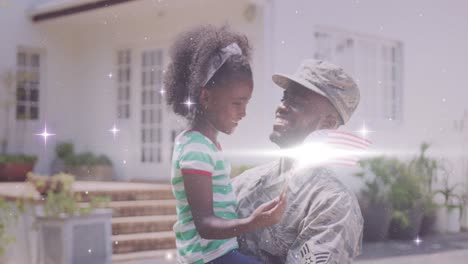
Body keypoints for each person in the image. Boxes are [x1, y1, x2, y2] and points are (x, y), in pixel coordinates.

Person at [164, 25, 287, 264]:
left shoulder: (206, 145)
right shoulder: (196, 149)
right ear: (206, 97)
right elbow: (205, 225)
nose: (243, 113)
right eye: (237, 103)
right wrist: (253, 222)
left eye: (246, 103)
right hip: (210, 258)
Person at [233, 59, 364, 264]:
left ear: (327, 124)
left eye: (297, 102)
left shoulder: (332, 203)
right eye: (285, 97)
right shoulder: (242, 183)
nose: (281, 107)